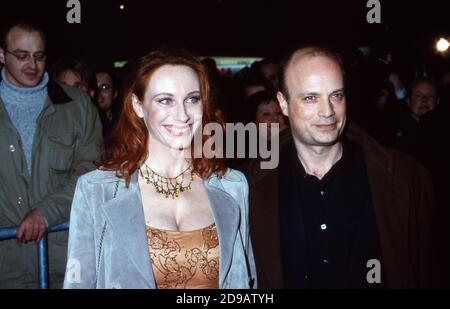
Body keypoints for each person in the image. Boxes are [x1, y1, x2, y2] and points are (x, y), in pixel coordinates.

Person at [241, 46, 434, 288]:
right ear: (283, 102)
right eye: (310, 98)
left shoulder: (406, 178)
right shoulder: (245, 187)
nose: (327, 111)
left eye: (336, 95)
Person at [63, 49, 256, 289]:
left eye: (192, 99)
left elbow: (246, 281)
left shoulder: (232, 185)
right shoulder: (95, 190)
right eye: (166, 100)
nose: (183, 114)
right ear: (138, 105)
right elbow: (78, 283)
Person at [0, 21, 103, 288]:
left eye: (39, 56)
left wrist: (46, 213)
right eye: (21, 56)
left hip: (64, 258)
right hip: (6, 265)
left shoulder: (77, 106)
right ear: (2, 55)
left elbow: (90, 172)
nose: (32, 64)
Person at [95, 68, 119, 138]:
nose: (98, 94)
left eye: (104, 88)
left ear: (115, 93)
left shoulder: (123, 125)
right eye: (93, 87)